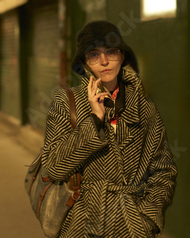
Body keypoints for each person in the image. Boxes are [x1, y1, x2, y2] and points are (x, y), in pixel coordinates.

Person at [41, 20, 177, 237]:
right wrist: (95, 119)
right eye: (94, 54)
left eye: (111, 52)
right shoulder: (67, 103)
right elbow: (55, 167)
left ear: (122, 56)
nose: (104, 61)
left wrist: (147, 219)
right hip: (82, 226)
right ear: (85, 64)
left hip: (132, 227)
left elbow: (164, 171)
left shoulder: (144, 107)